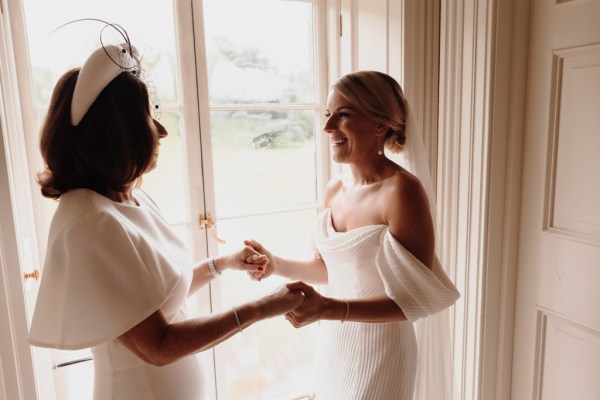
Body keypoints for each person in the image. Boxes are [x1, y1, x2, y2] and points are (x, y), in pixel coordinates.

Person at [27, 39, 305, 400]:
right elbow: (157, 346)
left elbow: (149, 299)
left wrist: (222, 264)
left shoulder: (130, 196)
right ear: (118, 132)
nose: (161, 131)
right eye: (148, 117)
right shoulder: (90, 222)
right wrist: (264, 307)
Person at [245, 70, 461, 400]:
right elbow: (329, 269)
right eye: (328, 115)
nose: (328, 128)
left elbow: (415, 300)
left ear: (380, 124)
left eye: (343, 115)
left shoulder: (403, 191)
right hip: (335, 345)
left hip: (383, 350)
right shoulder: (335, 189)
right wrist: (275, 264)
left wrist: (328, 308)